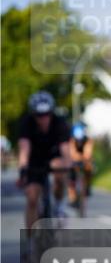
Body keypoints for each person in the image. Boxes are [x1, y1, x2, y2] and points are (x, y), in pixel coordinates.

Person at [16, 91, 72, 229]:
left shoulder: (59, 123)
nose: (43, 118)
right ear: (34, 115)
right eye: (39, 115)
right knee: (32, 198)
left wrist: (70, 166)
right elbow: (24, 150)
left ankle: (59, 207)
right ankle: (30, 242)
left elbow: (65, 151)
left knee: (59, 167)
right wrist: (23, 171)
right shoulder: (26, 124)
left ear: (51, 112)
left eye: (47, 114)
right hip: (34, 161)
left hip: (53, 158)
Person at [68, 122, 95, 210]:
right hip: (74, 162)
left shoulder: (88, 140)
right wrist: (76, 157)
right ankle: (72, 197)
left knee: (90, 168)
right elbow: (72, 153)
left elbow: (88, 153)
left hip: (84, 161)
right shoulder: (71, 141)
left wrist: (84, 158)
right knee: (71, 178)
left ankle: (87, 187)